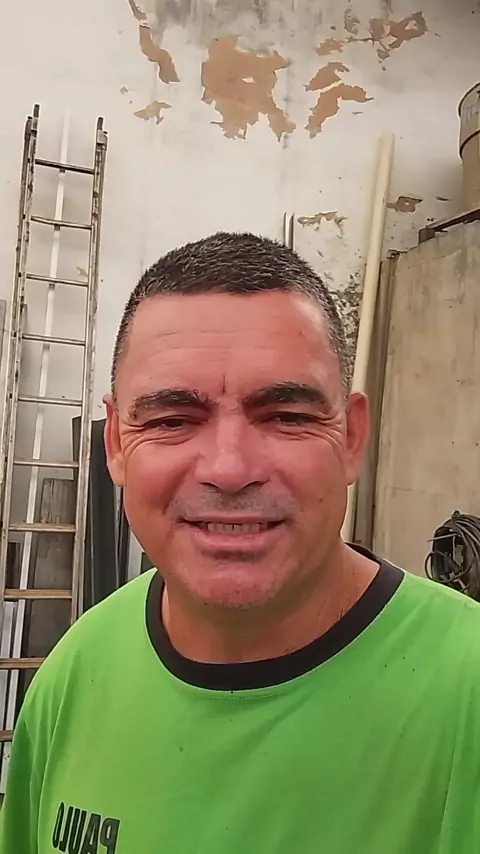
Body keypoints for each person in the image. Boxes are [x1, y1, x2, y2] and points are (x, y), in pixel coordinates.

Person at [1, 232, 479, 854]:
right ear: (115, 444)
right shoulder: (74, 675)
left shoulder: (465, 693)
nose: (229, 469)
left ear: (352, 437)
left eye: (286, 416)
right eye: (172, 420)